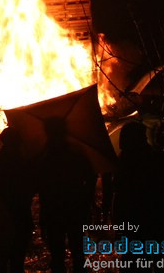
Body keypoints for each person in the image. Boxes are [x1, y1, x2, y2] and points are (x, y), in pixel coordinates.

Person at [36, 117, 96, 273]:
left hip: (54, 209)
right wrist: (86, 199)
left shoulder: (44, 156)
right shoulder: (76, 152)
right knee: (77, 251)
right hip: (75, 207)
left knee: (57, 253)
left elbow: (40, 185)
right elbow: (90, 177)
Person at [0, 126, 35, 273]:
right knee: (17, 262)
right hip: (22, 215)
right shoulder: (27, 164)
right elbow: (34, 187)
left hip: (1, 216)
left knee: (0, 260)